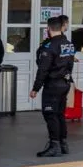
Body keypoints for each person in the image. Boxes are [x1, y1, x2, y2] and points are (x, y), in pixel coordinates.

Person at [30, 16, 75, 157]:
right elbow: (70, 64)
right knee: (60, 114)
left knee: (51, 115)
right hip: (65, 83)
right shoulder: (68, 44)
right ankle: (63, 144)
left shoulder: (49, 46)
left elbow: (43, 69)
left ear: (48, 29)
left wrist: (35, 88)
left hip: (53, 85)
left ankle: (54, 145)